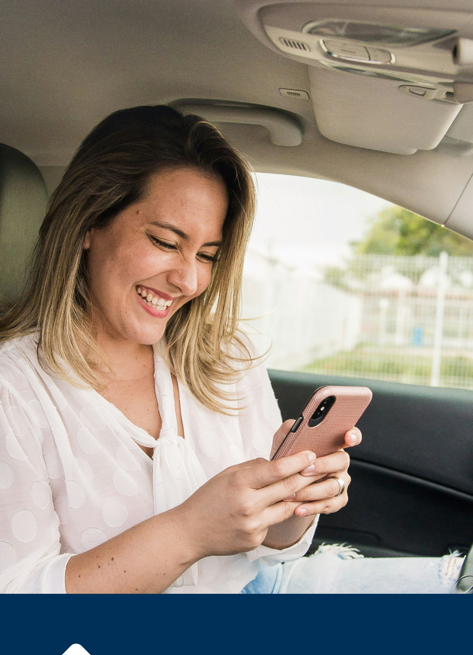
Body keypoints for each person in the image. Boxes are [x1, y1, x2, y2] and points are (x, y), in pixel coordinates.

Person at [0, 105, 463, 594]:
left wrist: (293, 501)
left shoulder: (225, 357)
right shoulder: (14, 390)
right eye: (165, 241)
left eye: (207, 255)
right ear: (88, 223)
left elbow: (268, 549)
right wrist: (189, 532)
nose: (188, 280)